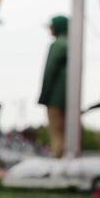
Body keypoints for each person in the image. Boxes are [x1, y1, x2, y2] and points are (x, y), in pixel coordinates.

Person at [38, 14, 69, 158]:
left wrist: (44, 96)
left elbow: (50, 71)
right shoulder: (72, 44)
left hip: (55, 98)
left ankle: (59, 161)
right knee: (68, 131)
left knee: (57, 133)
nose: (50, 30)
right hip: (70, 98)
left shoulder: (58, 45)